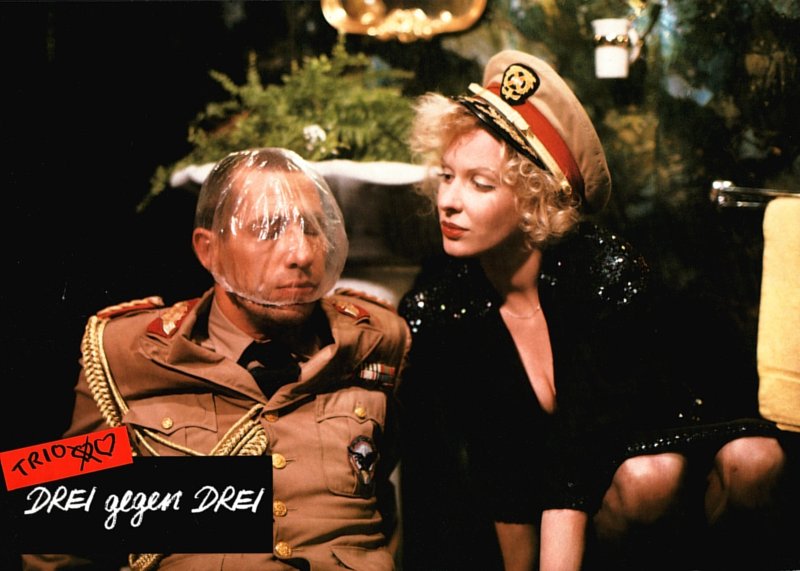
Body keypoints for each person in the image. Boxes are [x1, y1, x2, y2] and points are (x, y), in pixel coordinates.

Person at [396, 49, 789, 571]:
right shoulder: (443, 305)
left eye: (480, 183)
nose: (448, 200)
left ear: (535, 197)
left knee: (751, 460)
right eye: (447, 176)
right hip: (600, 500)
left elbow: (578, 452)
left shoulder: (604, 272)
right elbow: (499, 475)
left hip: (670, 442)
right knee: (648, 480)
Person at [23, 147, 411, 571]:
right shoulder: (125, 354)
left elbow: (381, 497)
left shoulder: (376, 341)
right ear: (208, 250)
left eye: (312, 228)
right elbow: (52, 524)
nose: (300, 254)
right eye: (268, 229)